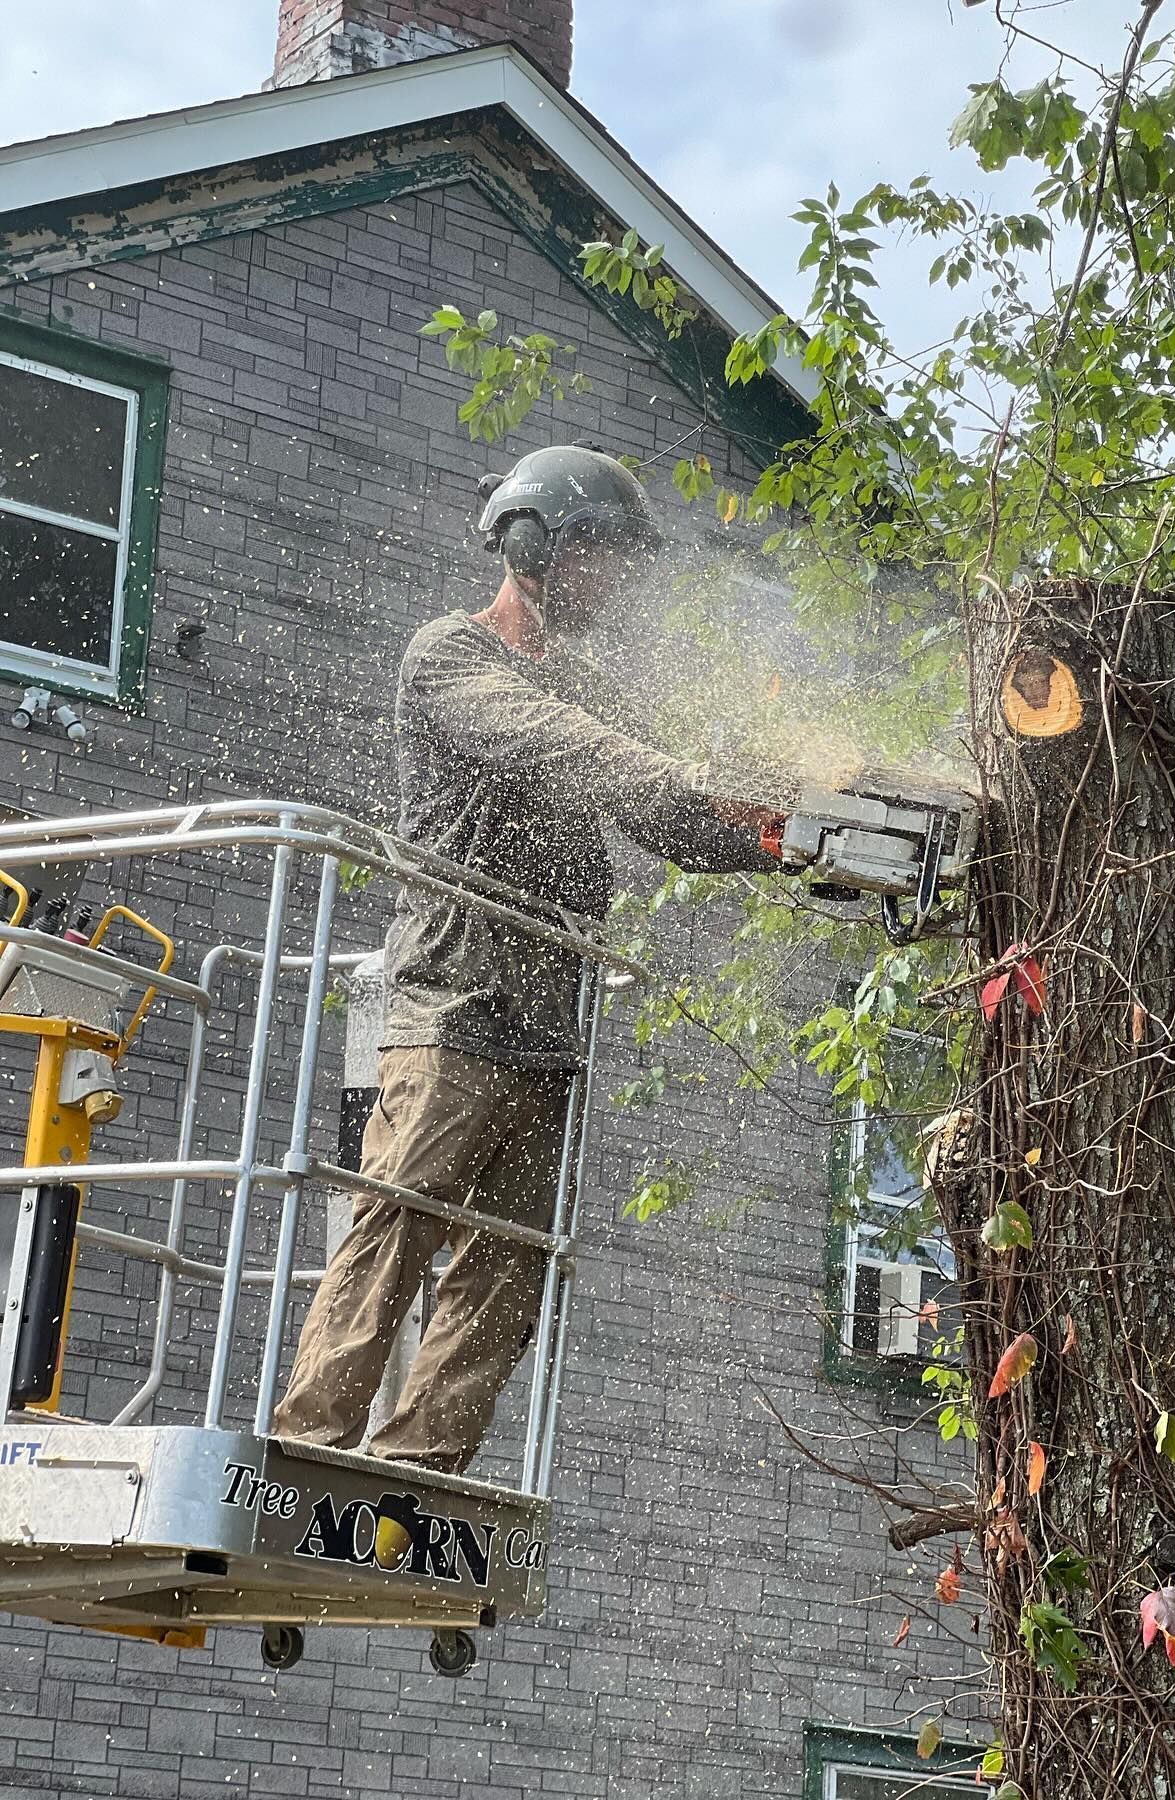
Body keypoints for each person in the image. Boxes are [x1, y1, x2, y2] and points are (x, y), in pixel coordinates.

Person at [273, 446, 777, 1558]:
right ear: (533, 543)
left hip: (548, 1028)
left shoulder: (590, 686)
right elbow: (564, 747)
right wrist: (683, 776)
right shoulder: (449, 657)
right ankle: (303, 1456)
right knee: (396, 1226)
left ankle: (414, 1482)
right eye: (601, 559)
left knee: (505, 1273)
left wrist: (786, 834)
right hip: (451, 1008)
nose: (614, 589)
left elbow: (678, 822)